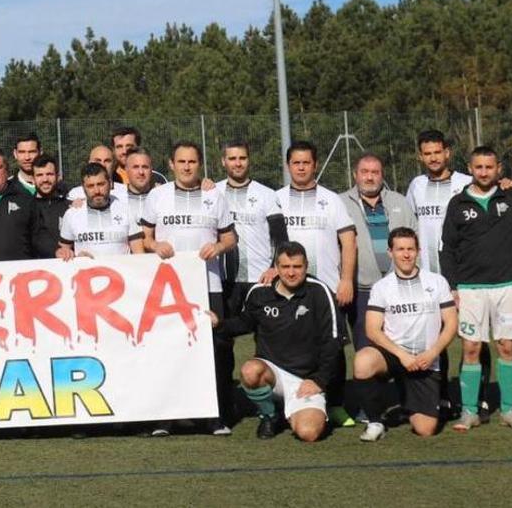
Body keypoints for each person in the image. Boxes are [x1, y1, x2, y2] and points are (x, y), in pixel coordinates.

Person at [141, 141, 237, 436]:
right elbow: (144, 238)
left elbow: (231, 238)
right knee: (168, 350)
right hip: (168, 288)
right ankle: (165, 418)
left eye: (192, 162)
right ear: (170, 164)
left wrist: (219, 246)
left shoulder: (215, 196)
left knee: (214, 351)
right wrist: (156, 244)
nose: (186, 167)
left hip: (208, 285)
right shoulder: (157, 196)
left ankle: (213, 416)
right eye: (181, 162)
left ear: (199, 164)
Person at [440, 146, 512, 432]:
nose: (483, 172)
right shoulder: (458, 203)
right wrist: (453, 286)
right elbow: (447, 249)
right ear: (470, 167)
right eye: (478, 167)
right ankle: (469, 412)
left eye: (489, 167)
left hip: (506, 285)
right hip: (470, 288)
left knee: (507, 346)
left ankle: (509, 410)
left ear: (499, 169)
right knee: (470, 348)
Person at [213, 242, 338, 442]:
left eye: (297, 267)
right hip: (273, 373)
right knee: (250, 370)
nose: (291, 273)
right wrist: (218, 324)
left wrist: (319, 380)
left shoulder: (319, 292)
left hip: (306, 379)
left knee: (309, 433)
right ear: (276, 268)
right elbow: (244, 323)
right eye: (285, 267)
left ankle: (302, 410)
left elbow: (332, 341)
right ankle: (269, 415)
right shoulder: (260, 292)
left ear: (306, 266)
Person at [275, 141, 357, 427]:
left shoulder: (331, 199)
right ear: (288, 166)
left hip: (326, 288)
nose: (300, 167)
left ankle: (335, 404)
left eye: (306, 162)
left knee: (332, 345)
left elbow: (348, 242)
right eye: (295, 163)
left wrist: (346, 280)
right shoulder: (276, 199)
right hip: (288, 288)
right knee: (287, 345)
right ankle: (289, 403)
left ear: (315, 165)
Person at [354, 227, 458, 441]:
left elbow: (451, 323)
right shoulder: (382, 287)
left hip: (425, 359)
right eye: (400, 249)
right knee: (363, 361)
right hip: (396, 355)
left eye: (411, 248)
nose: (406, 254)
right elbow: (372, 330)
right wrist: (401, 355)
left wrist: (433, 353)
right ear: (390, 252)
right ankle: (375, 422)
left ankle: (408, 397)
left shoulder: (437, 281)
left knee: (425, 429)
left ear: (418, 251)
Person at [340, 153, 417, 348]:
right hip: (362, 291)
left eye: (375, 172)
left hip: (398, 287)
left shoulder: (399, 201)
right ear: (355, 174)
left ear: (382, 175)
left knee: (405, 343)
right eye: (364, 172)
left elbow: (416, 240)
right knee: (367, 348)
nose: (369, 177)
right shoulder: (339, 203)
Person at [219, 141, 286, 320]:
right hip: (224, 280)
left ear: (249, 160)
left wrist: (274, 268)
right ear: (223, 161)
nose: (238, 163)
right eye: (232, 158)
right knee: (223, 337)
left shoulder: (267, 194)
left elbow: (281, 239)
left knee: (267, 336)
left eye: (242, 158)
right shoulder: (213, 192)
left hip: (261, 278)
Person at [406, 129, 472, 275]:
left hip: (461, 269)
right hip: (427, 272)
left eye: (437, 152)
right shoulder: (416, 185)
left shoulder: (466, 183)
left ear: (447, 153)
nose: (433, 158)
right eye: (427, 154)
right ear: (420, 157)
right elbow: (409, 224)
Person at [56, 163, 142, 260]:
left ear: (110, 183)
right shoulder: (72, 214)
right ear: (83, 188)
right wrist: (74, 257)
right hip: (86, 273)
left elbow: (139, 254)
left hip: (121, 273)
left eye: (101, 184)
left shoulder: (126, 210)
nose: (97, 191)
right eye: (90, 186)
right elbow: (62, 251)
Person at [31, 154, 70, 258]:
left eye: (49, 174)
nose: (45, 179)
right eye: (39, 175)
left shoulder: (68, 206)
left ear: (58, 176)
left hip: (68, 267)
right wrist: (55, 251)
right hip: (38, 270)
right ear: (33, 179)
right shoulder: (26, 208)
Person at [122, 148, 160, 226]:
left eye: (145, 167)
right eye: (135, 167)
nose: (141, 172)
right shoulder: (117, 199)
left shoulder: (162, 198)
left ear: (151, 169)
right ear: (126, 169)